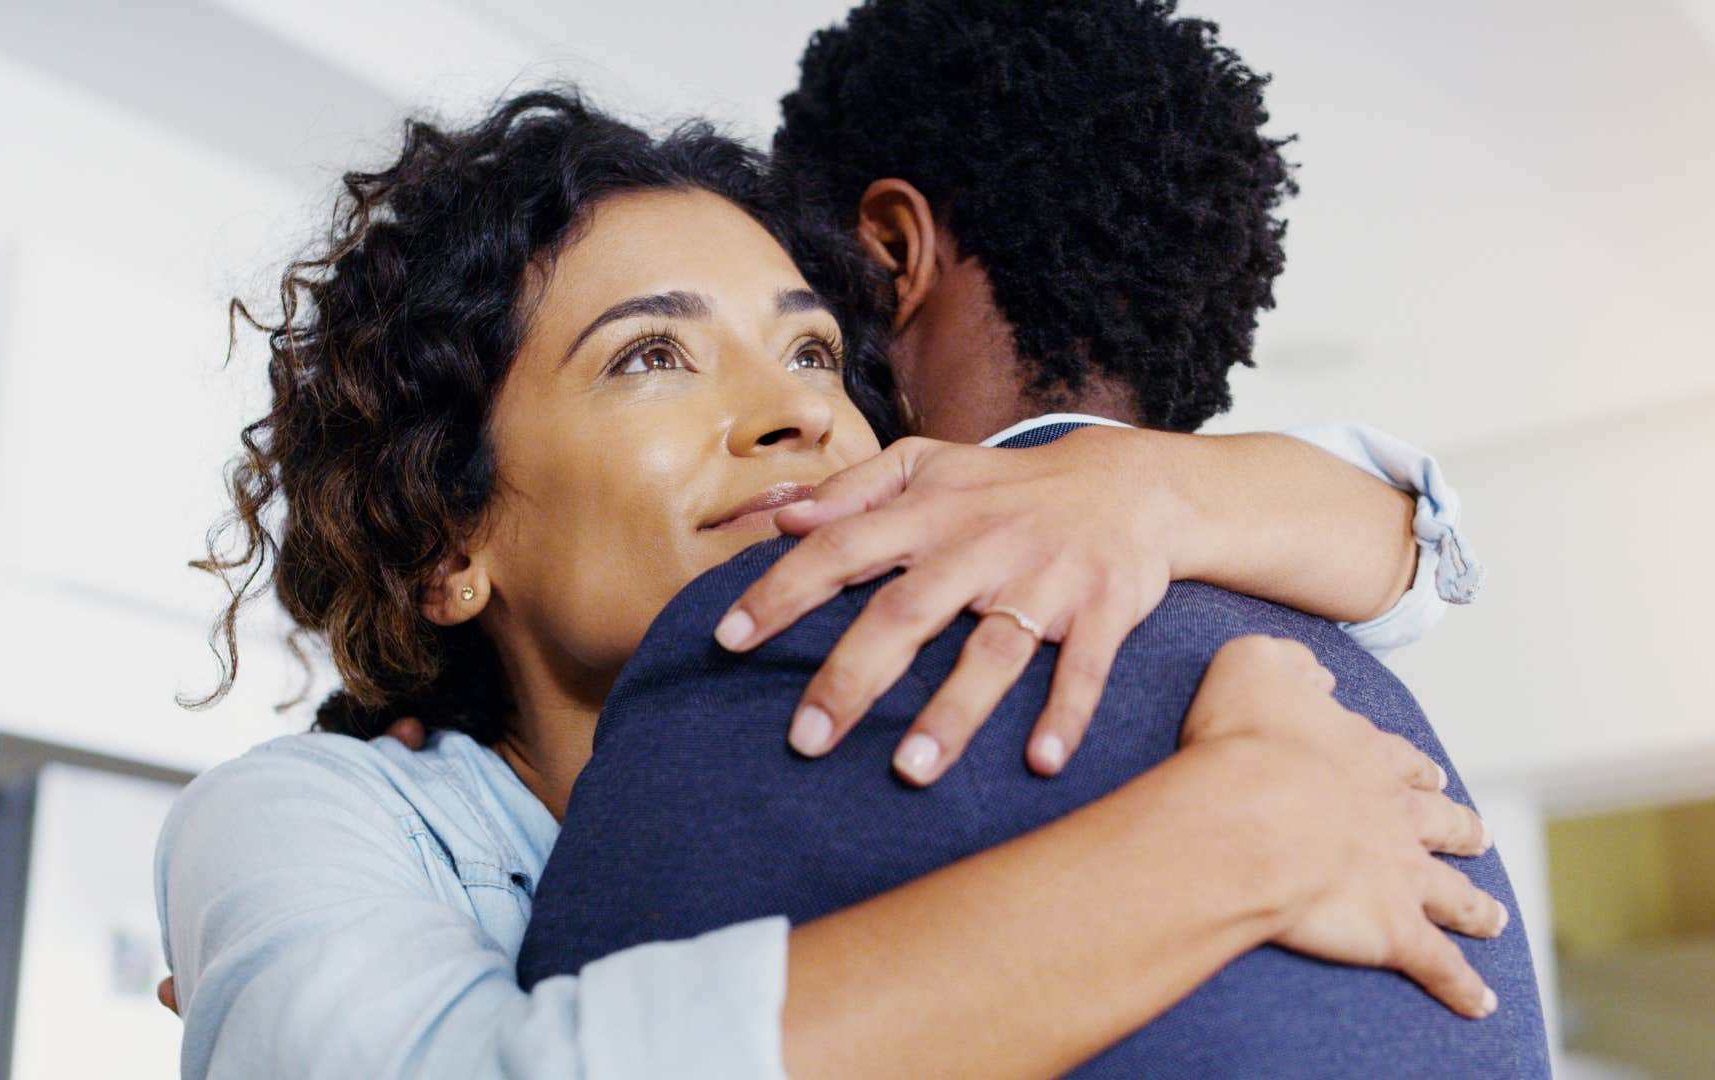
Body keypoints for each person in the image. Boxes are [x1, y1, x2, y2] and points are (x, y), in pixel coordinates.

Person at [157, 92, 1502, 1078]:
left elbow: (1405, 555)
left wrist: (1152, 489)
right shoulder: (313, 820)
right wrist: (1237, 842)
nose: (793, 413)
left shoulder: (930, 666)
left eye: (811, 353)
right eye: (650, 360)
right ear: (449, 545)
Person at [515, 6, 1547, 1074]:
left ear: (883, 260)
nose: (795, 408)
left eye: (813, 333)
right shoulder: (1362, 698)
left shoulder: (789, 626)